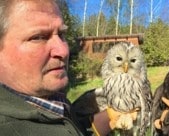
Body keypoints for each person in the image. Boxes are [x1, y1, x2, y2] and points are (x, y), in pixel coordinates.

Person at [0, 0, 136, 136]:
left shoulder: (51, 100)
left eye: (61, 34)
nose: (63, 50)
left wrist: (108, 118)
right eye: (38, 37)